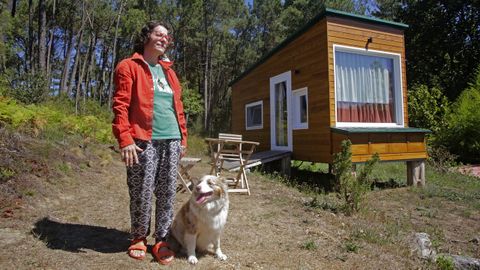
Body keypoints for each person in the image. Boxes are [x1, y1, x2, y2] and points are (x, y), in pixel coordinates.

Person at [111, 20, 187, 265]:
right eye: (159, 34)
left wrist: (183, 138)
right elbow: (120, 106)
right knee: (141, 191)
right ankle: (138, 237)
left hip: (172, 139)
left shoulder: (170, 72)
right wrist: (125, 139)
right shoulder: (128, 66)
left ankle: (162, 239)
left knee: (167, 193)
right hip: (142, 139)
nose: (165, 39)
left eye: (167, 36)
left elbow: (178, 109)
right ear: (146, 37)